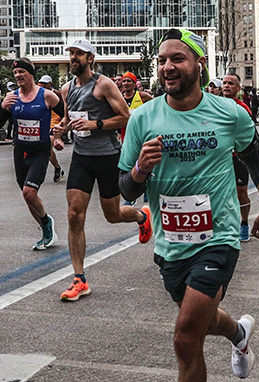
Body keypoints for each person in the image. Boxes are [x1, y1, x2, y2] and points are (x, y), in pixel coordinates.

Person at [118, 28, 259, 382]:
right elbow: (124, 188)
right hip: (171, 245)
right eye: (162, 60)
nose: (167, 67)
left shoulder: (227, 113)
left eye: (177, 58)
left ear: (199, 65)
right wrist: (140, 169)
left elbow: (254, 153)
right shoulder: (143, 119)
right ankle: (238, 333)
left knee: (185, 337)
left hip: (218, 238)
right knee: (203, 321)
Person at [52, 38, 152, 301]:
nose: (73, 57)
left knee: (113, 215)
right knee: (74, 214)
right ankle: (79, 279)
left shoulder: (103, 84)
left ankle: (142, 217)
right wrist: (61, 131)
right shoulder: (66, 89)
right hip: (81, 158)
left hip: (107, 156)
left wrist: (95, 125)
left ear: (90, 59)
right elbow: (68, 118)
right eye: (71, 53)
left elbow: (125, 117)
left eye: (79, 54)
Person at [0, 57, 64, 250]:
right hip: (20, 152)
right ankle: (46, 229)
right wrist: (3, 108)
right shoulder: (12, 97)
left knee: (30, 192)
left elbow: (65, 116)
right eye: (15, 73)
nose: (18, 76)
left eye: (22, 72)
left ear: (31, 74)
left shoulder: (46, 96)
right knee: (27, 196)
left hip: (40, 151)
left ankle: (46, 223)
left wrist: (59, 134)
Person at [222, 73, 253, 242]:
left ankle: (244, 223)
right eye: (224, 83)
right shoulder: (214, 106)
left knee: (241, 193)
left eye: (231, 83)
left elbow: (249, 135)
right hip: (220, 158)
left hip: (238, 157)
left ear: (238, 88)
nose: (226, 86)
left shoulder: (243, 108)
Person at [37, 74, 66, 182]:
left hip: (55, 124)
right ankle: (57, 168)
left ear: (51, 84)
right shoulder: (39, 95)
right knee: (44, 149)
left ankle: (57, 169)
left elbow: (65, 109)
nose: (43, 85)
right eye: (42, 83)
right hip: (44, 124)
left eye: (45, 83)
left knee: (47, 147)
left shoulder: (57, 94)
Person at [120, 71, 152, 143]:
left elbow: (155, 106)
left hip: (140, 130)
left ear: (134, 84)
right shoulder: (119, 98)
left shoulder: (142, 96)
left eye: (129, 81)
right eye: (124, 81)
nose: (126, 83)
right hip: (124, 131)